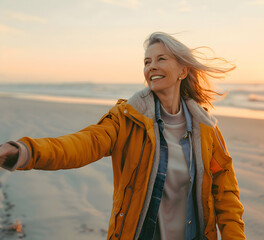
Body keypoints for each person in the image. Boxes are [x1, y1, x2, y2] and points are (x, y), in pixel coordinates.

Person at [0, 32, 246, 240]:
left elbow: (225, 193)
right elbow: (84, 143)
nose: (152, 67)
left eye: (161, 59)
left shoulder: (206, 129)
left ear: (183, 70)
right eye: (147, 61)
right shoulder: (127, 118)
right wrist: (26, 151)